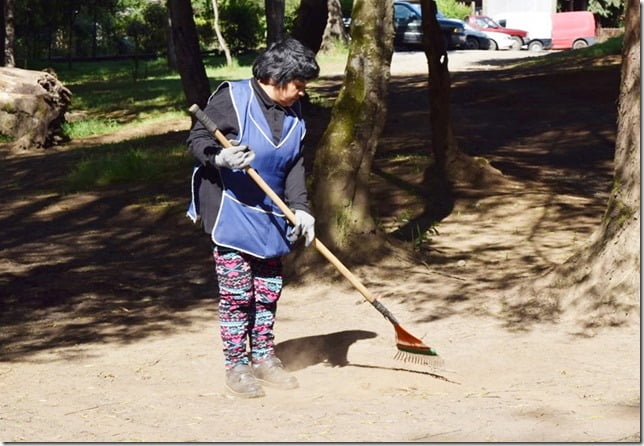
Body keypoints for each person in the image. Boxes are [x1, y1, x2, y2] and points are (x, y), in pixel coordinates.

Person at [186, 38, 320, 398]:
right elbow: (197, 139)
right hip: (231, 212)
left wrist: (302, 209)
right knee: (237, 295)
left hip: (272, 215)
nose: (302, 92)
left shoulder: (294, 112)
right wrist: (220, 158)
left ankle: (262, 357)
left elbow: (294, 165)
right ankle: (236, 365)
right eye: (299, 84)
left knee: (267, 292)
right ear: (276, 77)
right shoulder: (232, 98)